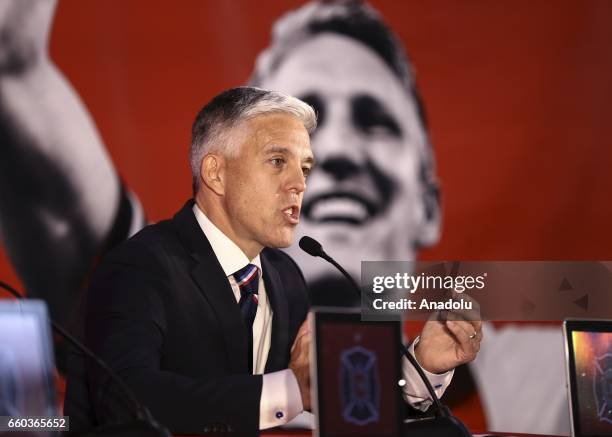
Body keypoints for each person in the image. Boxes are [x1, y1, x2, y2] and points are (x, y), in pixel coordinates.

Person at [65, 86, 482, 435]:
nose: (300, 185)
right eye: (277, 161)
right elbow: (128, 400)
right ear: (216, 173)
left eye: (304, 168)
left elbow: (336, 398)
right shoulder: (141, 267)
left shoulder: (283, 276)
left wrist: (420, 371)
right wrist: (291, 391)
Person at [250, 1, 441, 305]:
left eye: (376, 123)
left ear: (428, 206)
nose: (339, 148)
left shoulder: (534, 353)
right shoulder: (167, 348)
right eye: (298, 123)